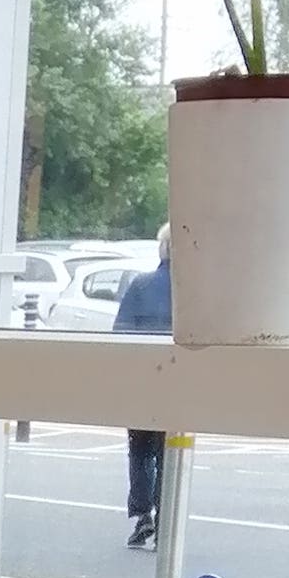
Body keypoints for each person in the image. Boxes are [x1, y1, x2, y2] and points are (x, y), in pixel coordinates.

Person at [112, 228, 175, 550]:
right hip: (177, 386)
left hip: (142, 383)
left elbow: (120, 334)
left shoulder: (140, 286)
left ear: (163, 249)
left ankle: (142, 515)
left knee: (139, 451)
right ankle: (167, 516)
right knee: (168, 453)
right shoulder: (195, 295)